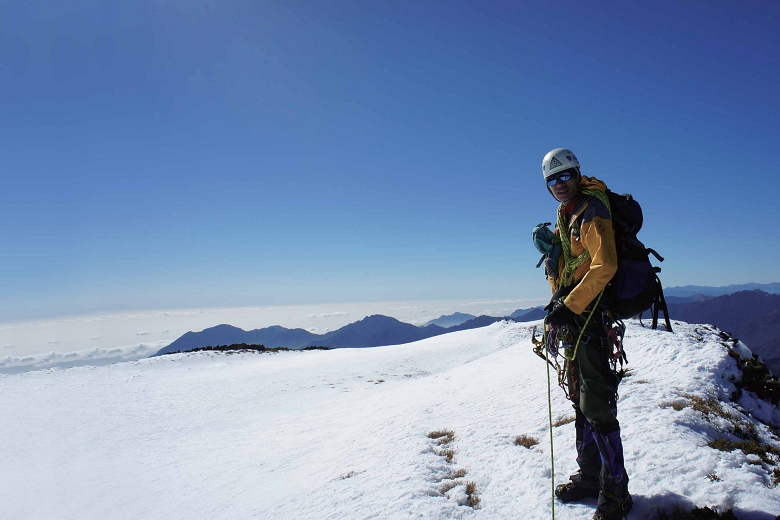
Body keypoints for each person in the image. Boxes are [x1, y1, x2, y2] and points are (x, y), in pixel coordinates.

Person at [539, 148, 633, 520]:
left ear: (577, 173)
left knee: (597, 404)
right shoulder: (569, 213)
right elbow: (575, 266)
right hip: (578, 319)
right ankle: (592, 475)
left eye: (564, 176)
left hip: (590, 318)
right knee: (582, 399)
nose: (559, 185)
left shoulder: (592, 210)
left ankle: (617, 492)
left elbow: (604, 264)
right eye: (552, 180)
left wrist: (569, 306)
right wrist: (554, 263)